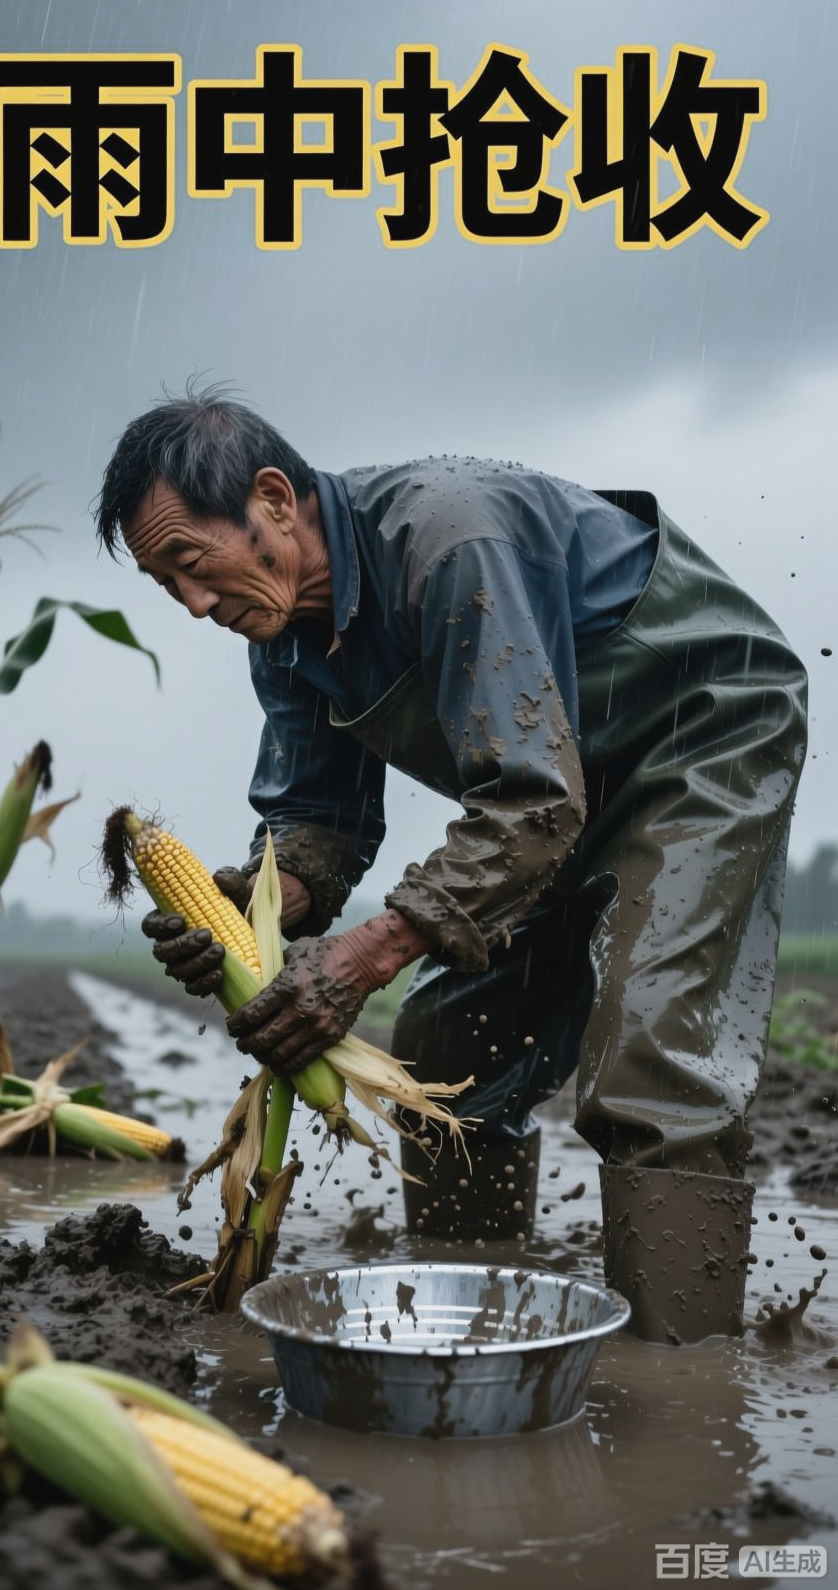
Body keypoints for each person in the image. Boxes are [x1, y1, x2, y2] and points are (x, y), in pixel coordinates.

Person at [94, 391, 807, 1343]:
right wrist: (252, 910)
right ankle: (476, 1313)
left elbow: (533, 802)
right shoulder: (284, 635)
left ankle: (686, 1373)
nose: (191, 604)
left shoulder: (447, 541)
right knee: (447, 1048)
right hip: (555, 795)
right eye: (163, 585)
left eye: (191, 565)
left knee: (653, 1051)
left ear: (272, 500)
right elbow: (324, 826)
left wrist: (364, 956)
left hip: (698, 739)